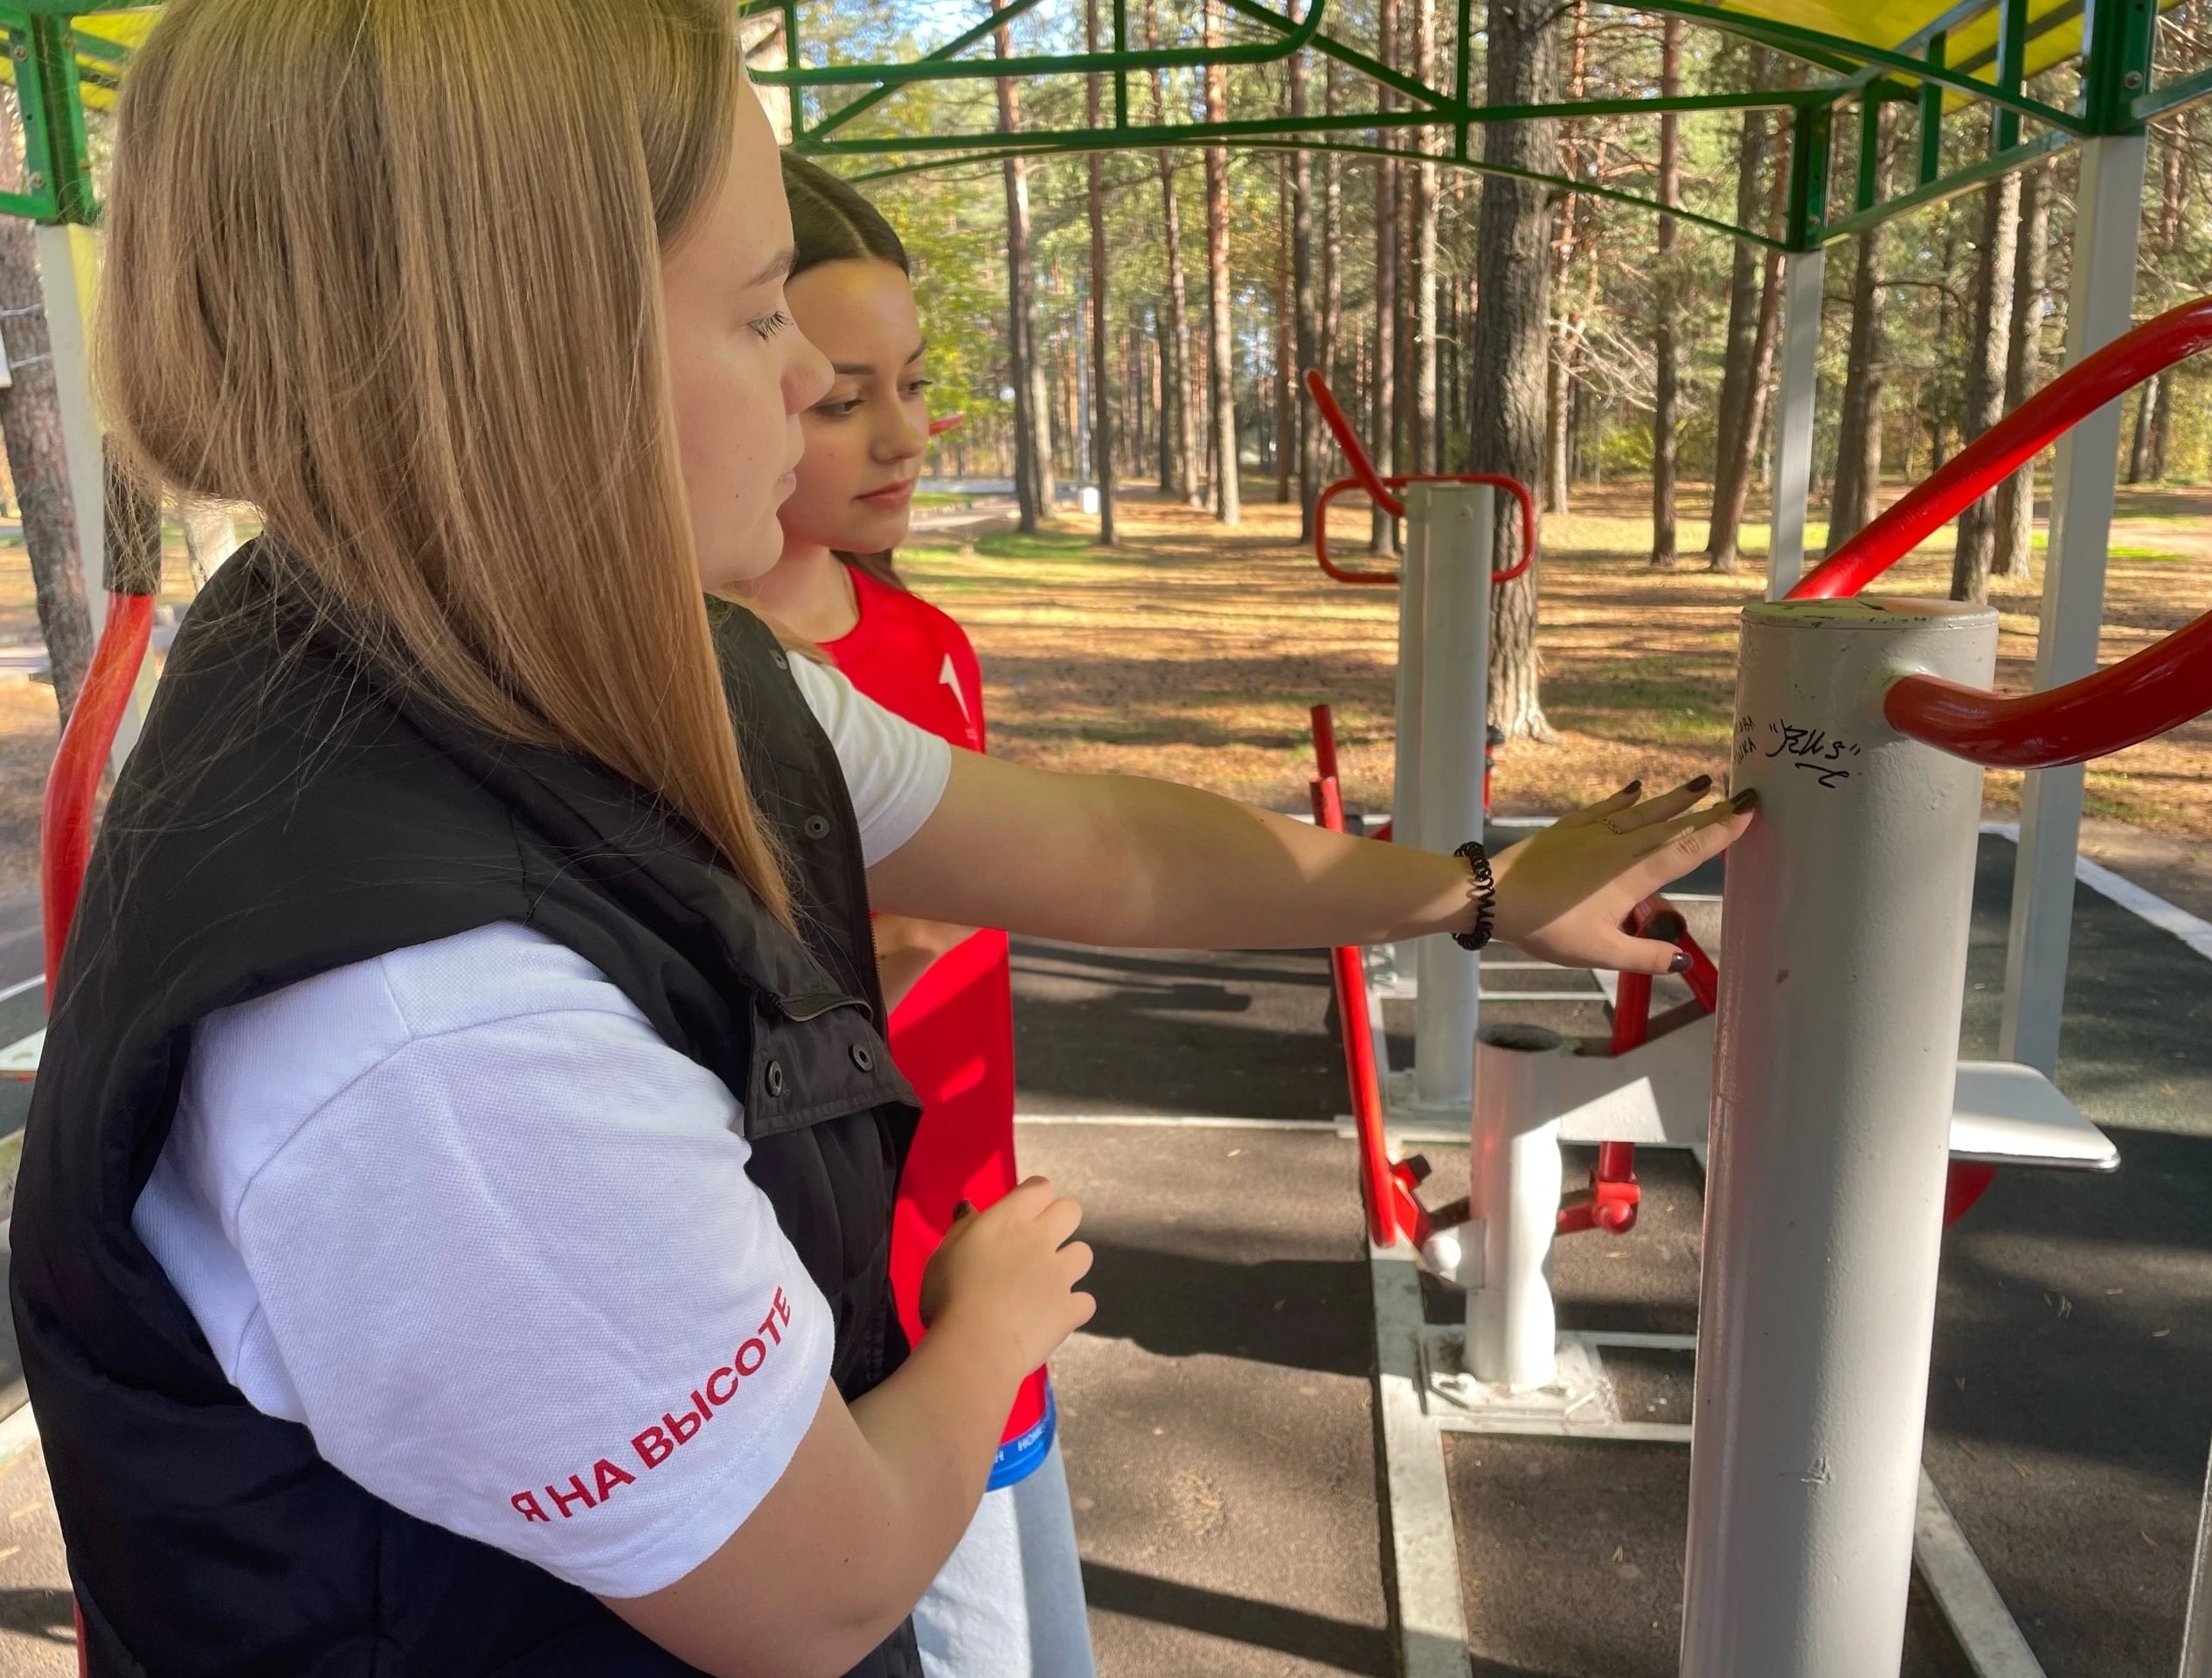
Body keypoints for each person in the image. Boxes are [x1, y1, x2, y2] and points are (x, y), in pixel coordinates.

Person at [11, 4, 1751, 1675]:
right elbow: (811, 1592)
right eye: (764, 315)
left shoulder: (623, 662)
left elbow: (1086, 848)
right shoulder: (436, 1025)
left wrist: (1468, 892)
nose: (808, 392)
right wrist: (987, 1314)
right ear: (533, 350)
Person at [744, 154, 1092, 1678]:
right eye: (840, 399)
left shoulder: (926, 639)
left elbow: (1063, 870)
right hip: (835, 1313)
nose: (905, 435)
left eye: (915, 383)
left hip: (974, 1246)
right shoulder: (681, 682)